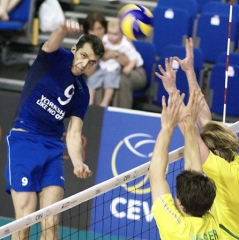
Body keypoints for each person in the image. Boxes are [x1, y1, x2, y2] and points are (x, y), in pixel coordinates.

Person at [5, 19, 104, 239]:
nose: (85, 65)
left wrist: (78, 162)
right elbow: (51, 43)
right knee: (25, 220)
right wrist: (62, 29)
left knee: (51, 223)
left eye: (92, 62)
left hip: (52, 147)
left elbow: (75, 132)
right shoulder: (53, 58)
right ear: (74, 49)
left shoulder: (82, 92)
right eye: (83, 56)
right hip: (25, 140)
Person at [157, 37, 239, 239]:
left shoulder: (223, 172)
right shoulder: (233, 160)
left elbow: (190, 131)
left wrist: (172, 90)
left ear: (216, 153)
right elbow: (203, 120)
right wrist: (190, 72)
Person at [149, 89, 220, 239]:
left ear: (179, 203)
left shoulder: (176, 229)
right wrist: (189, 128)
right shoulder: (213, 220)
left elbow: (156, 175)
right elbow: (194, 172)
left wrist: (167, 127)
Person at [83, 12, 147, 108]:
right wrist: (97, 53)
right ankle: (96, 112)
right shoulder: (87, 44)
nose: (96, 33)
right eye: (92, 30)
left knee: (120, 80)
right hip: (108, 71)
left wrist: (114, 54)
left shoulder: (120, 40)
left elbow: (128, 63)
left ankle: (120, 116)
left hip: (133, 71)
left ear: (105, 29)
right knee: (99, 79)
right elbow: (88, 73)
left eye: (99, 29)